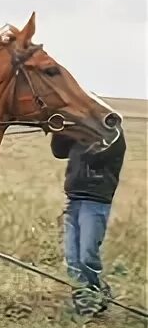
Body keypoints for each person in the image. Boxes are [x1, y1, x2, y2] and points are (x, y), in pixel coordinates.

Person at [51, 129, 126, 314]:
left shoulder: (112, 132)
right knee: (72, 257)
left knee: (86, 255)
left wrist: (79, 130)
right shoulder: (80, 128)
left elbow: (95, 158)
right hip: (73, 198)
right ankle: (84, 304)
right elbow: (59, 151)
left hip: (95, 201)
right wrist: (61, 129)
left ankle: (98, 293)